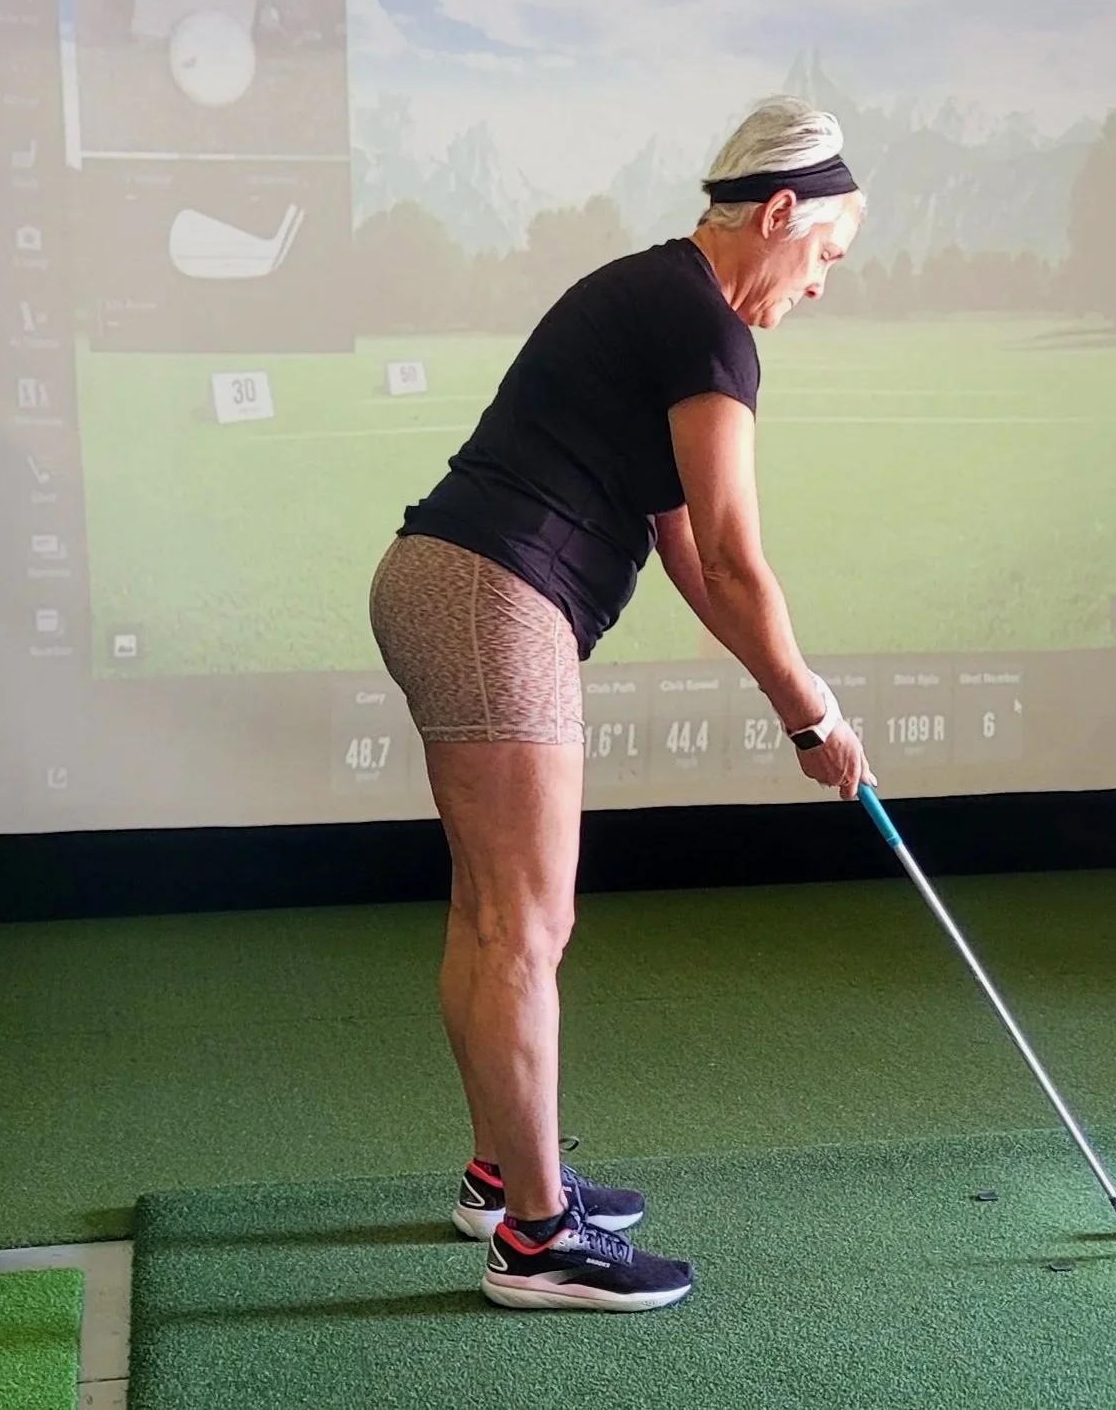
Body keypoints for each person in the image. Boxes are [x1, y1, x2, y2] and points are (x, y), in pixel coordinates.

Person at [369, 95, 873, 1312]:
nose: (818, 288)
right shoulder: (704, 326)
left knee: (492, 915)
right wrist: (811, 709)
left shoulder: (657, 295)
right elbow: (742, 558)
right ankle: (536, 1244)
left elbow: (692, 556)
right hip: (494, 597)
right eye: (826, 259)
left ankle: (506, 1180)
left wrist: (791, 706)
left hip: (448, 584)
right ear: (781, 212)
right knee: (523, 928)